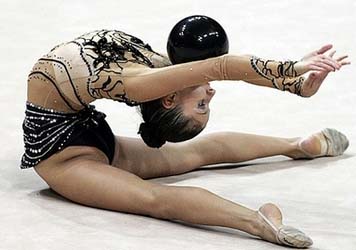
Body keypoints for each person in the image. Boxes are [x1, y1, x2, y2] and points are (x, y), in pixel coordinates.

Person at [22, 15, 350, 248]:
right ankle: (277, 185)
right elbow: (222, 65)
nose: (211, 95)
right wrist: (293, 80)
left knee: (172, 179)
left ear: (169, 100)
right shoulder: (152, 77)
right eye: (204, 107)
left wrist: (293, 77)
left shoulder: (147, 81)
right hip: (75, 143)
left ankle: (279, 179)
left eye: (201, 107)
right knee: (175, 175)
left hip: (71, 147)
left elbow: (220, 65)